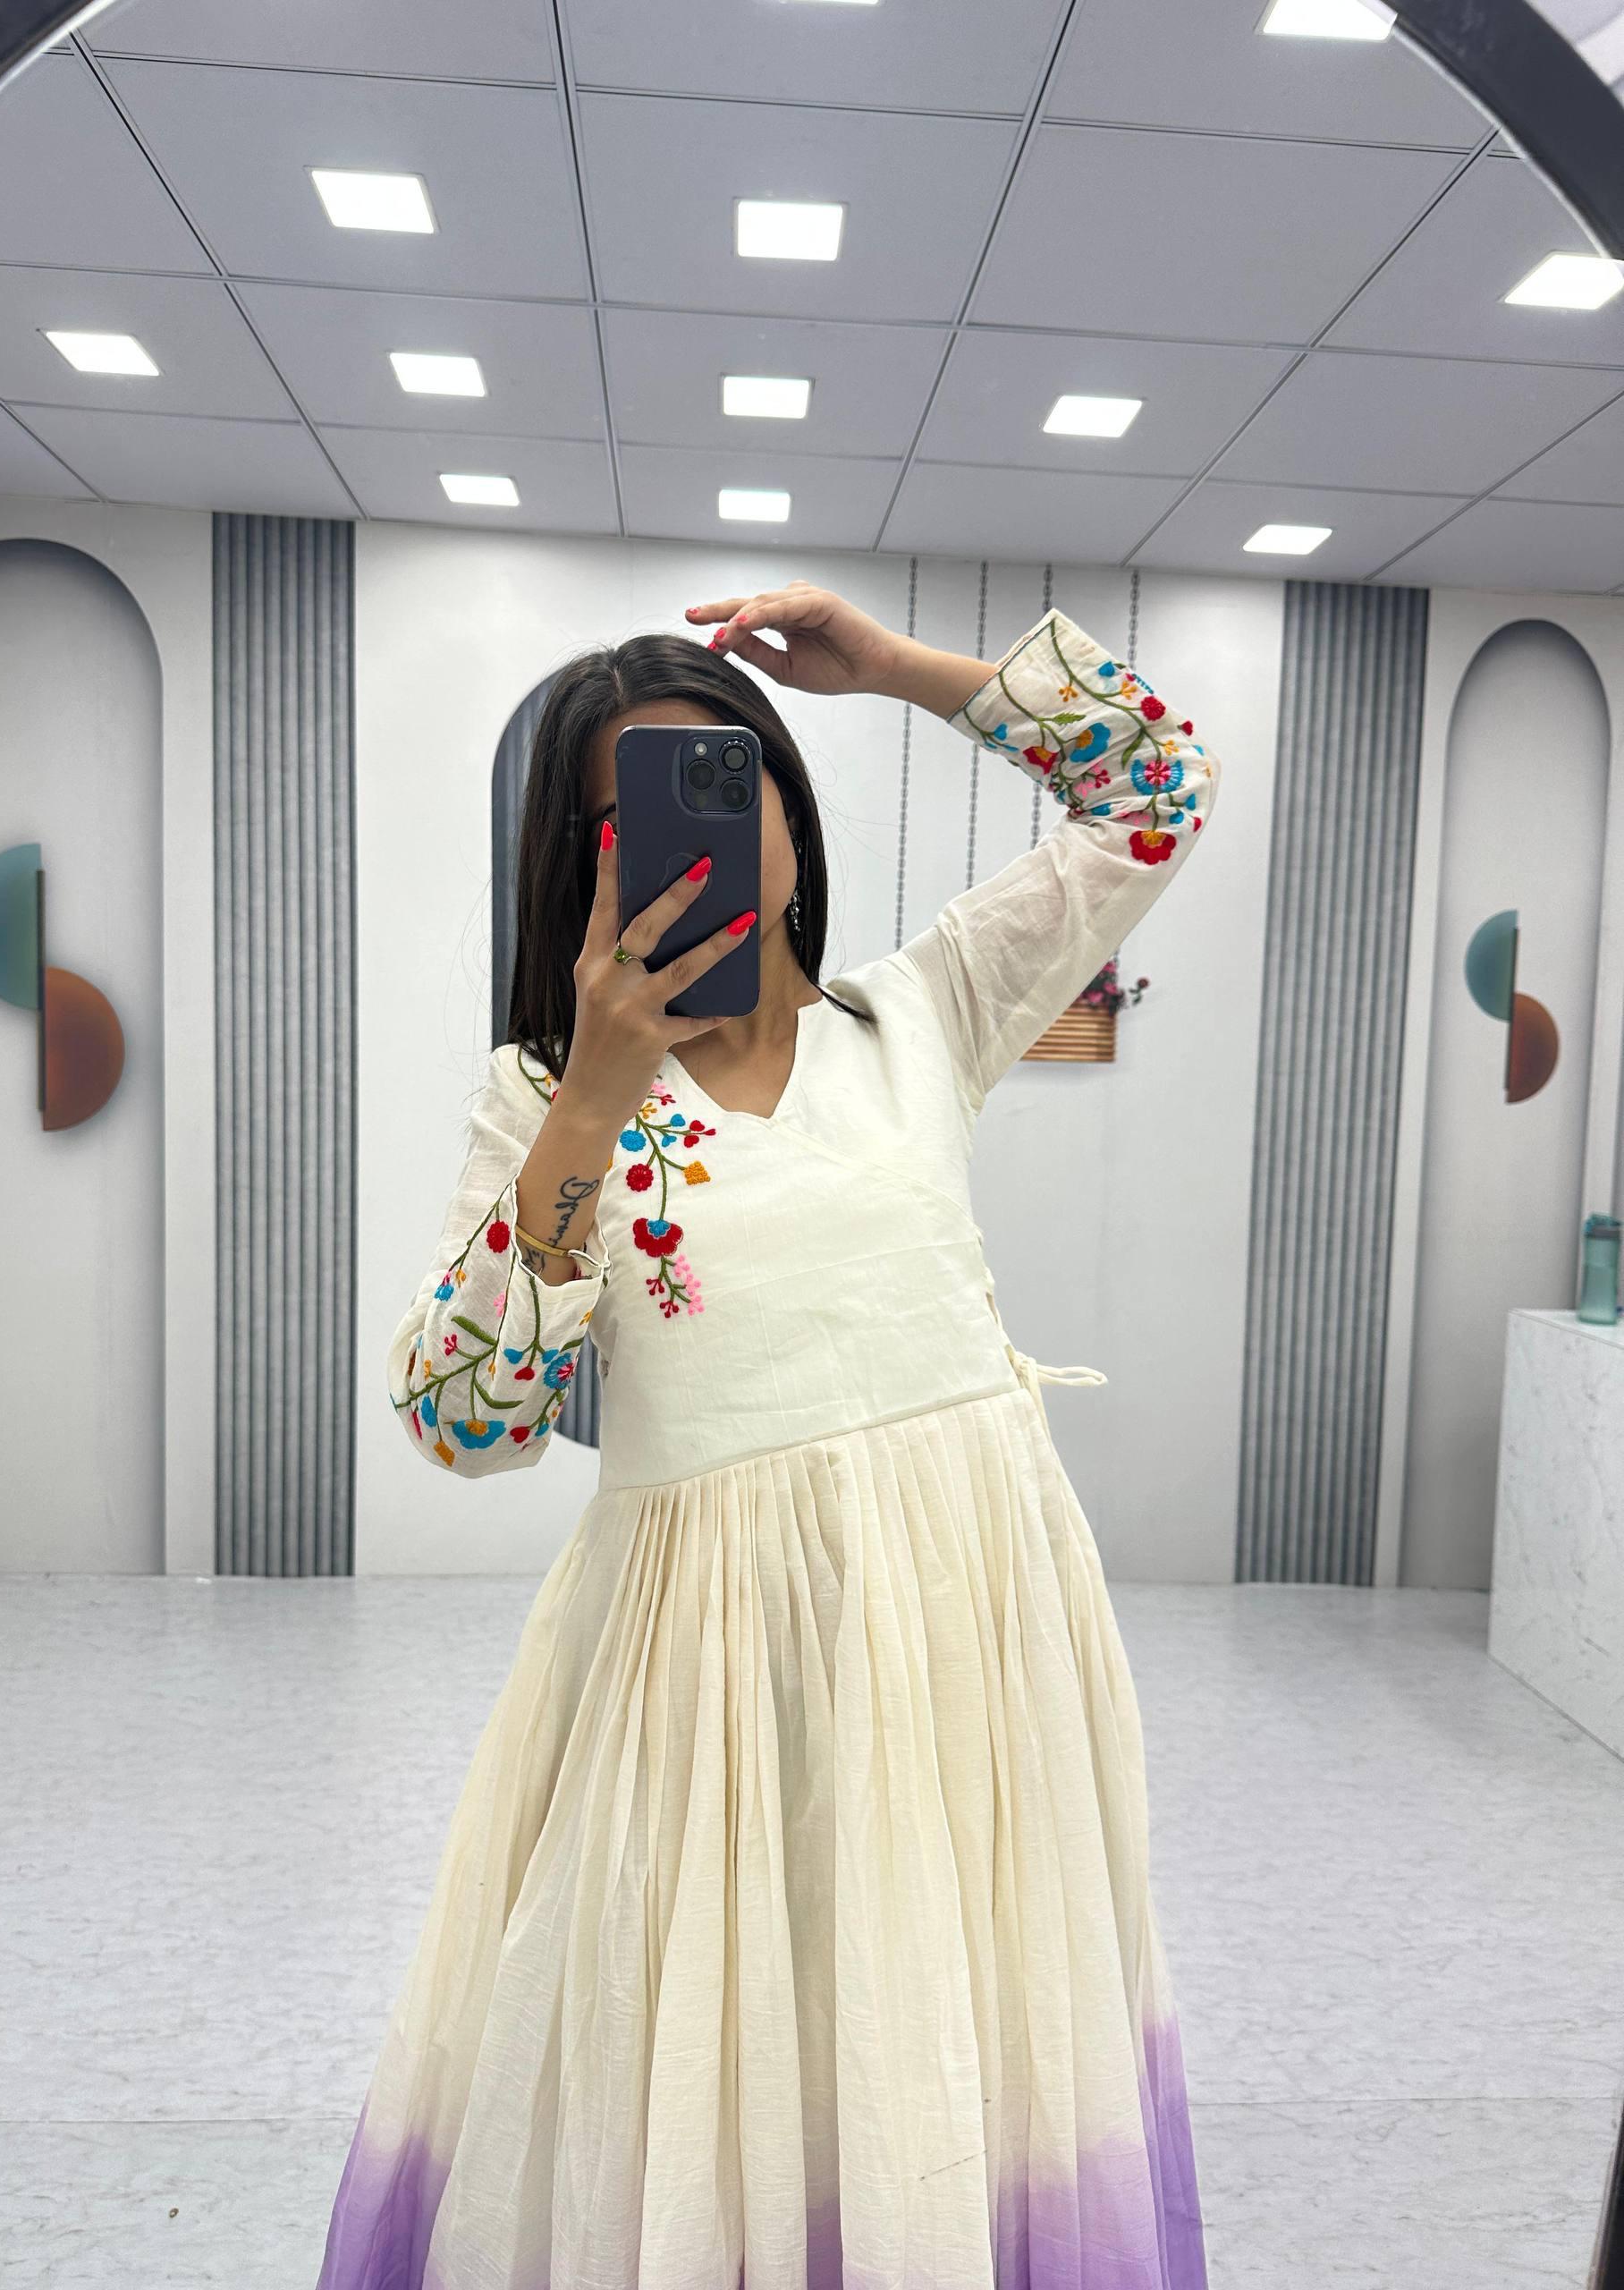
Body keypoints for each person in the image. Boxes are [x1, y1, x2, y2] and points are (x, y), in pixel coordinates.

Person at [317, 581, 1219, 2290]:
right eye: (637, 815)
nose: (698, 840)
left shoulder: (924, 1013)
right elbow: (462, 1422)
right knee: (724, 2077)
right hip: (709, 1686)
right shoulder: (544, 1099)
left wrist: (898, 669)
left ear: (789, 815)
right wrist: (595, 1094)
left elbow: (1158, 790)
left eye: (729, 786)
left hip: (969, 1644)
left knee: (946, 2044)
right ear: (581, 867)